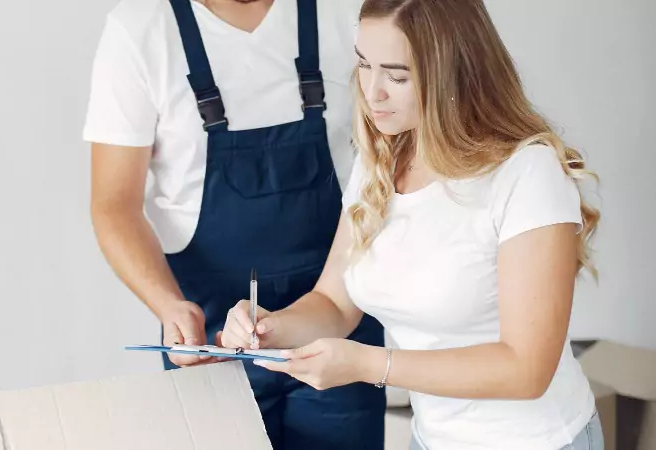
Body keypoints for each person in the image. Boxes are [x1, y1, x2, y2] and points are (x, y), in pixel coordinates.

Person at [220, 0, 604, 449]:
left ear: (454, 73)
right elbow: (334, 304)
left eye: (397, 75)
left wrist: (369, 365)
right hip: (432, 440)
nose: (372, 91)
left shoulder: (527, 173)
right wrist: (268, 328)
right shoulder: (382, 159)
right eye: (364, 65)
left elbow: (526, 369)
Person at [83, 0, 387, 449]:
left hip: (338, 324)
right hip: (210, 340)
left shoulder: (345, 13)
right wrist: (169, 306)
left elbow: (395, 156)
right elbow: (113, 204)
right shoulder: (142, 31)